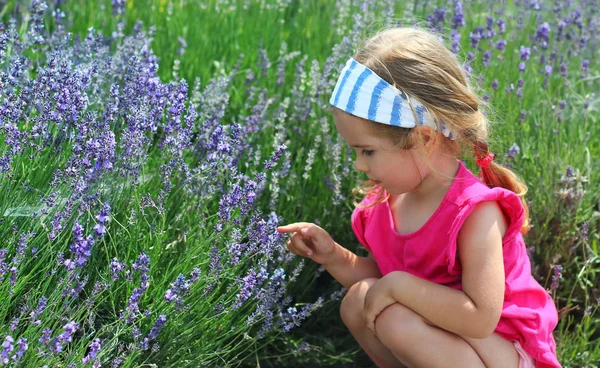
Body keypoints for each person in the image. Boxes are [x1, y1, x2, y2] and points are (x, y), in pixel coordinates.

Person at [277, 27, 561, 368]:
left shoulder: (475, 212)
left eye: (367, 151)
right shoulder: (387, 202)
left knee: (395, 317)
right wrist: (333, 256)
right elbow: (383, 281)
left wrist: (398, 286)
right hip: (447, 340)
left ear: (423, 139)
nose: (357, 165)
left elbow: (481, 318)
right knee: (358, 300)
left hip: (502, 349)